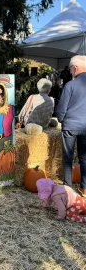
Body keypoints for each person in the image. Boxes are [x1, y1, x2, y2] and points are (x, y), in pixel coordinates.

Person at [55, 55, 86, 197]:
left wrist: (61, 119)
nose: (70, 72)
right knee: (84, 157)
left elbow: (61, 109)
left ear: (75, 68)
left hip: (71, 125)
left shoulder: (70, 85)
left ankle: (68, 187)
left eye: (71, 69)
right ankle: (84, 188)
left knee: (68, 157)